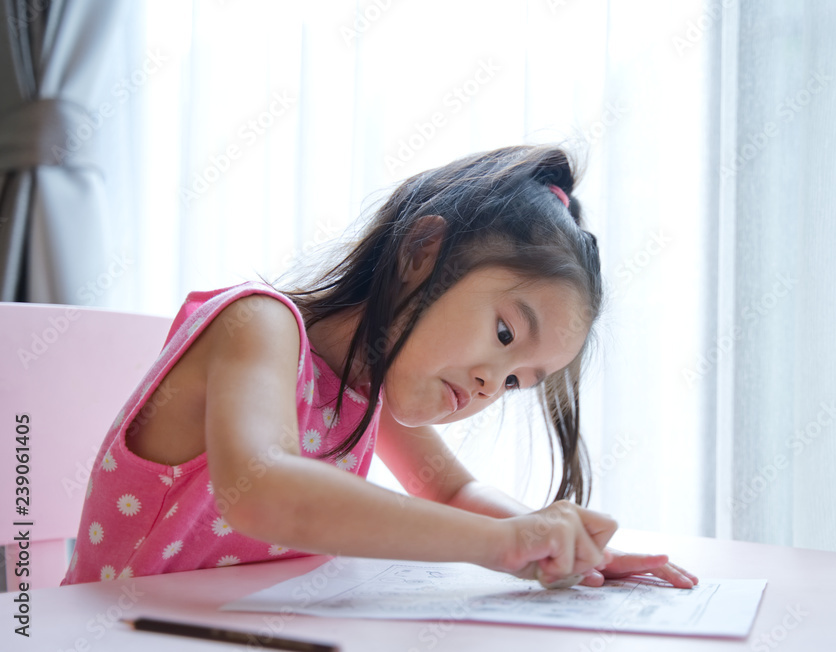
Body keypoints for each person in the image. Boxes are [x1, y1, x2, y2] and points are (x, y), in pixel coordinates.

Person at [62, 145, 697, 590]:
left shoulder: (368, 389)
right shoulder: (258, 326)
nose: (489, 385)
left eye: (513, 382)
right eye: (504, 333)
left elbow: (451, 491)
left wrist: (569, 547)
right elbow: (261, 488)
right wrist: (503, 548)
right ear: (423, 251)